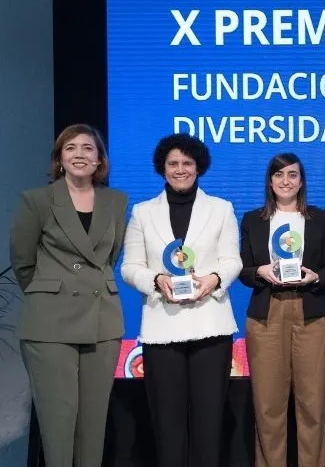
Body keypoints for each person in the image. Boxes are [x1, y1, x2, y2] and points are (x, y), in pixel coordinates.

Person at [120, 133, 243, 467]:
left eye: (187, 163)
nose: (180, 169)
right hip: (163, 329)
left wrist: (213, 280)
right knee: (168, 424)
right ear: (162, 168)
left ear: (198, 167)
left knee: (208, 422)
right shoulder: (142, 212)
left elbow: (233, 260)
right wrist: (156, 281)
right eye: (172, 163)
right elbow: (129, 268)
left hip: (211, 326)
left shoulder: (221, 209)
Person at [9, 124, 128, 467]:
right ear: (59, 158)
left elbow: (110, 256)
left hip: (102, 320)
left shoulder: (116, 201)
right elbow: (23, 263)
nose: (80, 154)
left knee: (94, 422)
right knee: (58, 421)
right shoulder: (37, 200)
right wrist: (54, 292)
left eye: (88, 148)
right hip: (50, 324)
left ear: (99, 159)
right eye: (71, 148)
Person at [238, 153, 325, 467]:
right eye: (279, 175)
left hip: (312, 313)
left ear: (301, 181)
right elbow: (242, 270)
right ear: (270, 181)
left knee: (311, 402)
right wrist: (260, 272)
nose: (286, 181)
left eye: (293, 175)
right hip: (267, 314)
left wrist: (316, 277)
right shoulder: (253, 220)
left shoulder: (320, 218)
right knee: (268, 404)